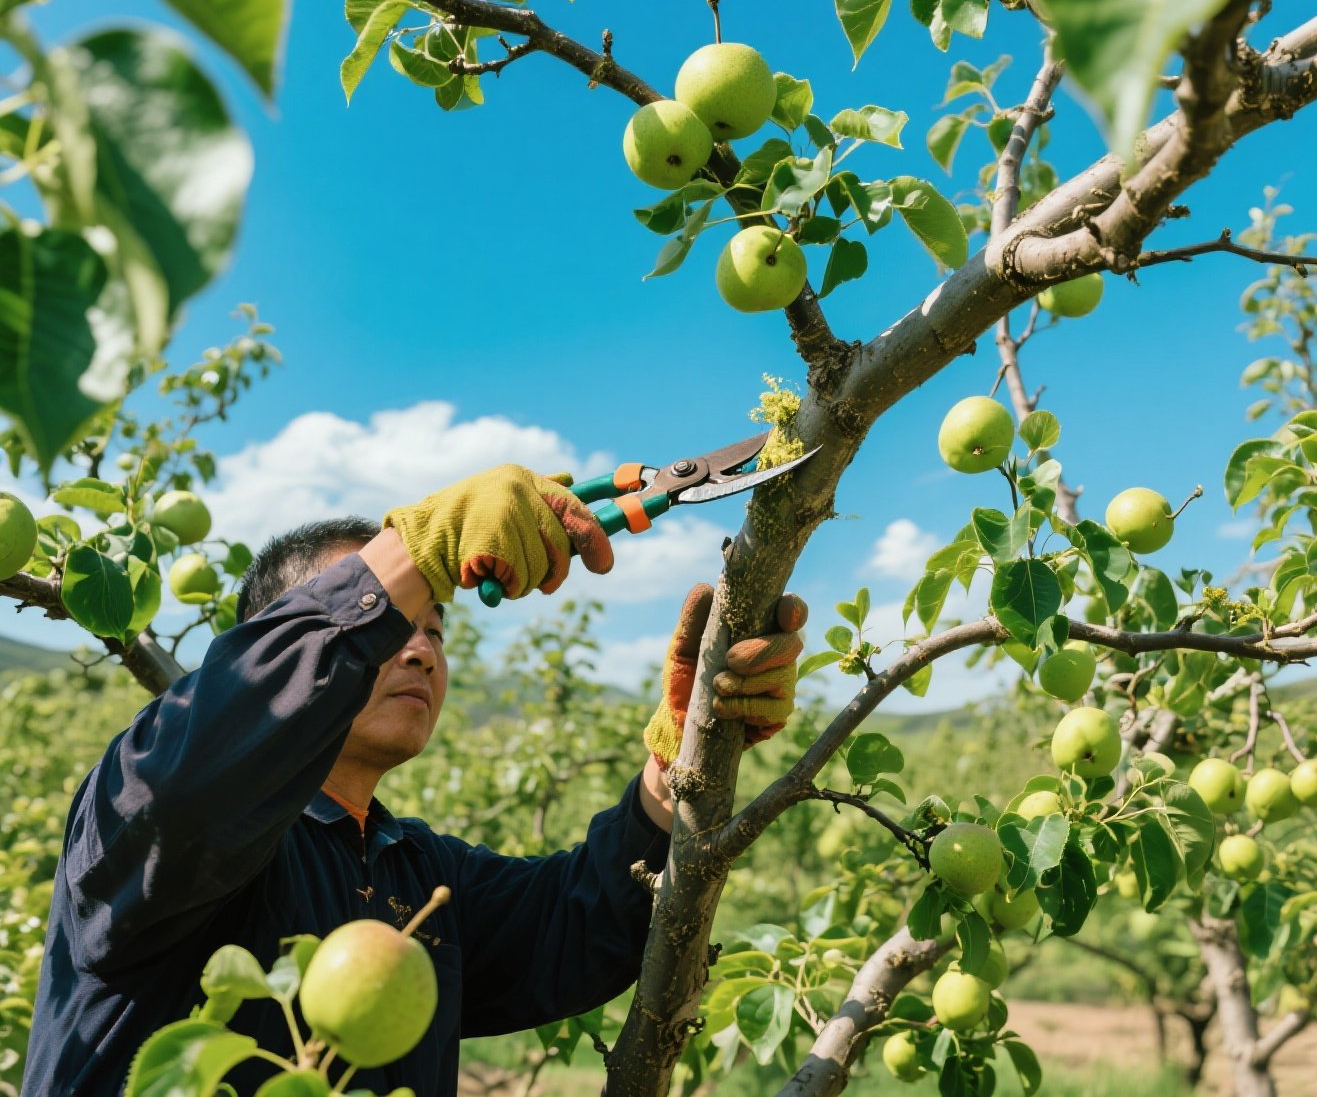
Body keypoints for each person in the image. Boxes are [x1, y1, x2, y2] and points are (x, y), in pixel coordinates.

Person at [22, 465, 805, 1095]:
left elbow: (574, 927)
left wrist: (682, 760)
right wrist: (412, 554)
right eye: (391, 622)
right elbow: (183, 795)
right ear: (284, 644)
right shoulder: (138, 806)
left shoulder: (417, 870)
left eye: (435, 629)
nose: (421, 649)